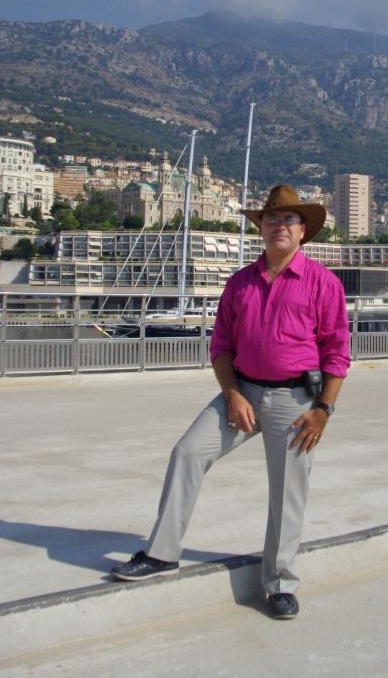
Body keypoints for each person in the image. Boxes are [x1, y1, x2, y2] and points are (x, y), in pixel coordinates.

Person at [111, 184, 351, 620]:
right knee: (188, 452)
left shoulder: (323, 283)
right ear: (261, 227)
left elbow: (337, 353)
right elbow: (221, 346)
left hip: (296, 400)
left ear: (303, 231)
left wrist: (323, 410)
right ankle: (162, 553)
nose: (280, 225)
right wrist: (233, 393)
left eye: (289, 219)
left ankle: (280, 583)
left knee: (287, 491)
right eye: (272, 218)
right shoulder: (240, 282)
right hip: (242, 392)